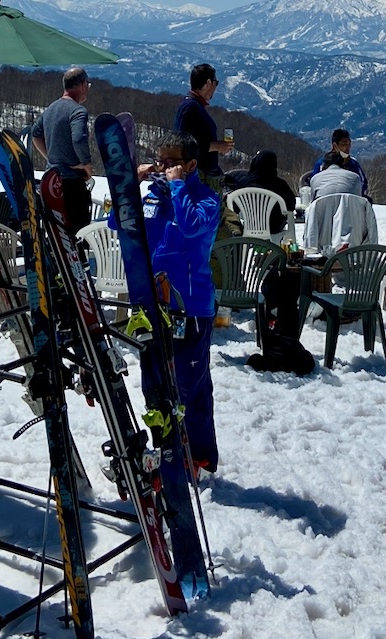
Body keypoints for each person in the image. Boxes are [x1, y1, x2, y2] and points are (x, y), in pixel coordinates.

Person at [136, 131, 222, 472]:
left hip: (191, 306)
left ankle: (198, 453)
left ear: (190, 165)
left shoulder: (206, 200)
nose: (166, 168)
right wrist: (133, 187)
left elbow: (189, 227)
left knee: (190, 385)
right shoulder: (157, 196)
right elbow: (120, 226)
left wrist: (177, 186)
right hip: (154, 303)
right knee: (154, 382)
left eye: (173, 163)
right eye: (162, 162)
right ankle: (165, 448)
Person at [30, 66, 94, 231]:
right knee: (77, 236)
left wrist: (50, 158)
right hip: (72, 184)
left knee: (55, 237)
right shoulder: (77, 111)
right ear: (82, 85)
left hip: (50, 182)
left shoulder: (51, 109)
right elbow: (79, 139)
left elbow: (35, 135)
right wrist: (86, 164)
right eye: (87, 84)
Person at [174, 63, 230, 195]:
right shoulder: (190, 107)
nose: (216, 87)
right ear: (208, 83)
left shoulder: (193, 106)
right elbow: (183, 143)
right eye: (216, 83)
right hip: (200, 177)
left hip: (203, 174)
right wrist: (216, 146)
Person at [223, 149, 296, 236]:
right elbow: (290, 206)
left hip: (249, 227)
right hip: (274, 228)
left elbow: (234, 207)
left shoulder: (244, 183)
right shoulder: (281, 185)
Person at [310, 128, 370, 200]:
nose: (347, 148)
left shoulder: (353, 163)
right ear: (335, 146)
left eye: (349, 144)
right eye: (343, 145)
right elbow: (314, 184)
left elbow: (363, 183)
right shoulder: (322, 164)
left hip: (350, 198)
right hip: (325, 200)